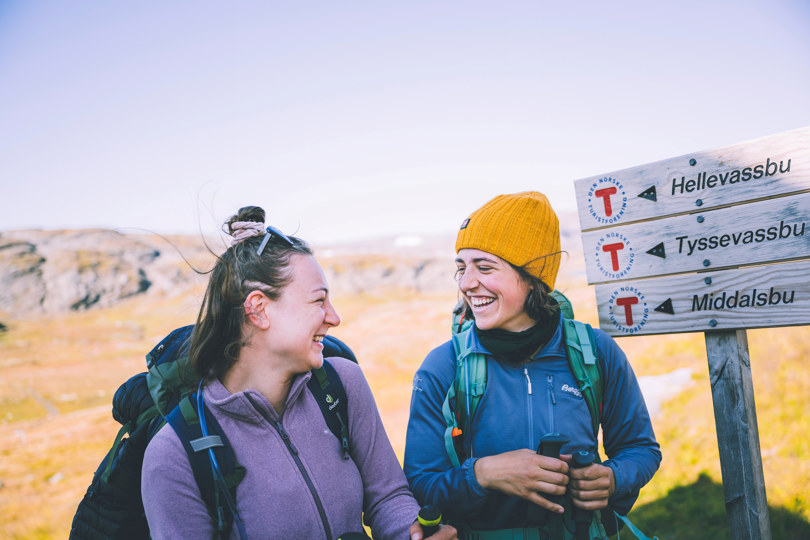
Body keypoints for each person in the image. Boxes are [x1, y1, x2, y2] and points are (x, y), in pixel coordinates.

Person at [142, 206, 456, 540]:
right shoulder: (173, 456)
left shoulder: (342, 384)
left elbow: (388, 497)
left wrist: (412, 534)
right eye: (318, 301)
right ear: (260, 309)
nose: (333, 318)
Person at [403, 192, 661, 538]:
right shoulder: (444, 366)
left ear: (531, 275)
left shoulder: (595, 352)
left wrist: (613, 478)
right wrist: (482, 474)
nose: (465, 283)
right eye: (461, 268)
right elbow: (420, 483)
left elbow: (639, 449)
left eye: (485, 266)